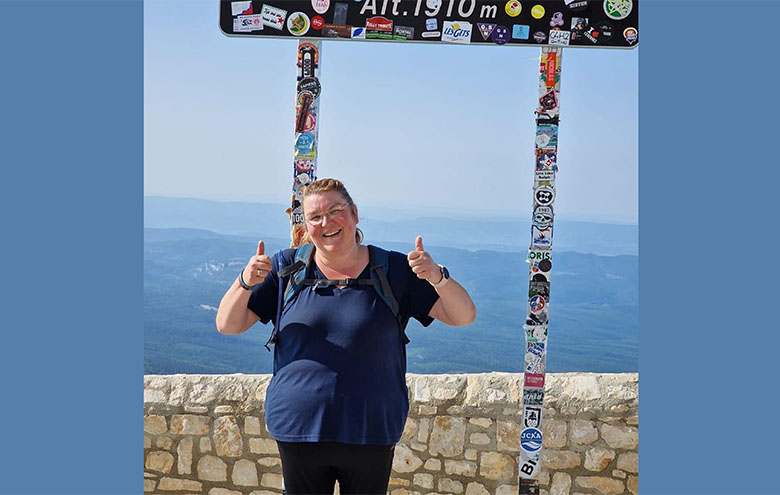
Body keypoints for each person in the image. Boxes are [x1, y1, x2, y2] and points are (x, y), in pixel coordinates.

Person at [216, 178, 476, 495]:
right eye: (315, 216)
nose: (326, 222)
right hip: (299, 429)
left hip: (371, 430)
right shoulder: (286, 269)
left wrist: (438, 277)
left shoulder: (393, 270)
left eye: (335, 210)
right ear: (306, 225)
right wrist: (245, 281)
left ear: (353, 214)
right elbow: (229, 324)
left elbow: (464, 316)